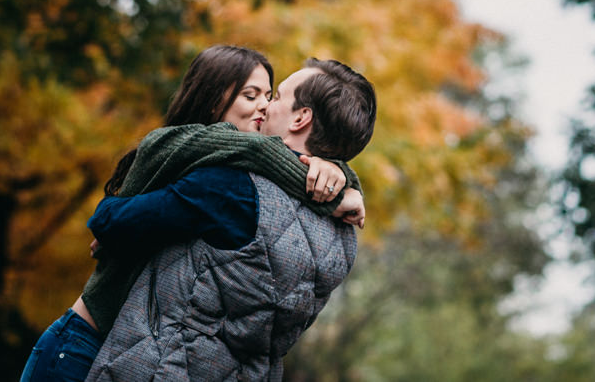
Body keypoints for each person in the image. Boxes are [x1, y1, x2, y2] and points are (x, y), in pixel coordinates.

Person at [18, 47, 363, 382]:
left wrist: (332, 176)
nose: (265, 106)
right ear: (214, 103)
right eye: (251, 95)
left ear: (302, 117)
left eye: (274, 96)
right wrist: (339, 181)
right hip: (89, 344)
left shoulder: (228, 187)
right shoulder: (342, 236)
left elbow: (109, 222)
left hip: (118, 351)